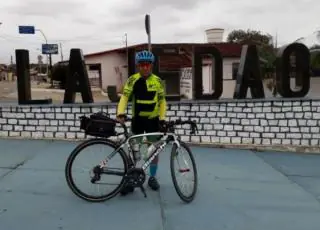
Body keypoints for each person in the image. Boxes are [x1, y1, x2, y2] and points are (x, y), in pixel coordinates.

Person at [116, 50, 167, 195]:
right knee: (134, 150)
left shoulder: (157, 81)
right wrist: (120, 112)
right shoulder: (132, 80)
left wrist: (162, 118)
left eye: (148, 65)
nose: (145, 68)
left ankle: (152, 177)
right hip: (137, 120)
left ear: (152, 65)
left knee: (154, 151)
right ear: (138, 66)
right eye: (142, 65)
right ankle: (132, 178)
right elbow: (125, 97)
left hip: (153, 121)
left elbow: (162, 101)